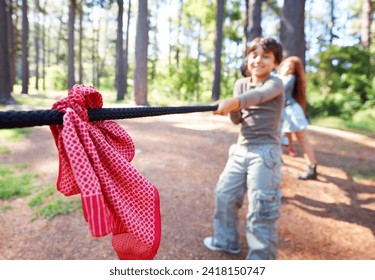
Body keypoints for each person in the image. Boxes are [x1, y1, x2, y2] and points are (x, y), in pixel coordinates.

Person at [204, 37, 284, 260]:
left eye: (265, 56)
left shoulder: (275, 83)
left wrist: (235, 102)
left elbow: (256, 97)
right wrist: (231, 107)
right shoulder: (240, 84)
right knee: (225, 194)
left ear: (275, 63)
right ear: (248, 58)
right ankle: (226, 240)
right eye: (254, 55)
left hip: (265, 152)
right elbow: (238, 121)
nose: (258, 60)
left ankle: (261, 259)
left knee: (261, 206)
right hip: (241, 148)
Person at [277, 56, 318, 180]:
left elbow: (280, 90)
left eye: (291, 67)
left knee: (301, 138)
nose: (287, 68)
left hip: (292, 111)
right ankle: (275, 165)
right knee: (276, 137)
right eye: (286, 65)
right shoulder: (278, 77)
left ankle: (312, 167)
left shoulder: (289, 78)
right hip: (283, 111)